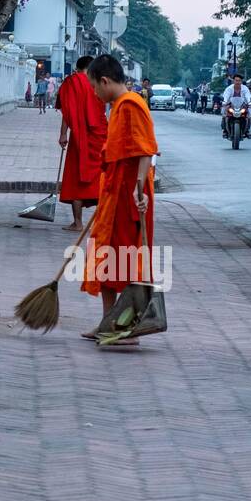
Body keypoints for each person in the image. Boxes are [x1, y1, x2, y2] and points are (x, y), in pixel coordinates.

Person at [80, 56, 158, 340]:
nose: (95, 94)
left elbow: (145, 150)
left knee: (124, 260)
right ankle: (108, 322)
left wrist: (140, 193)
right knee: (106, 257)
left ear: (104, 81)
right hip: (115, 191)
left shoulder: (131, 106)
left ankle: (129, 326)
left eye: (94, 88)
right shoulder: (118, 107)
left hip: (130, 196)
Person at [57, 55, 108, 232]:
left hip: (79, 137)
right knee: (104, 177)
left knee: (75, 178)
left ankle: (78, 223)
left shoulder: (72, 82)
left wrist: (63, 133)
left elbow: (67, 109)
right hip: (100, 135)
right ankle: (104, 223)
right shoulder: (100, 82)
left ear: (78, 68)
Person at [220, 73, 251, 138]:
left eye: (239, 80)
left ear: (241, 81)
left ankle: (247, 131)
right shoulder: (229, 88)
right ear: (233, 81)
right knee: (224, 115)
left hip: (242, 105)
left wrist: (249, 102)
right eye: (236, 80)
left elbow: (248, 96)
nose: (238, 82)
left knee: (248, 115)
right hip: (230, 105)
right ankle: (225, 131)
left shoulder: (245, 88)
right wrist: (225, 102)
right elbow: (226, 96)